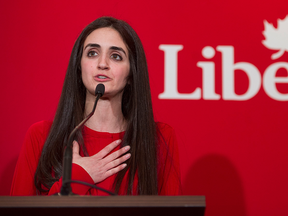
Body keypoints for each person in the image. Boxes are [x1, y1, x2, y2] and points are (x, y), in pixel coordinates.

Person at [10, 17, 181, 196]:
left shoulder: (159, 140)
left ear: (131, 73)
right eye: (92, 53)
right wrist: (78, 177)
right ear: (79, 66)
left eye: (116, 56)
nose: (102, 64)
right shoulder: (40, 137)